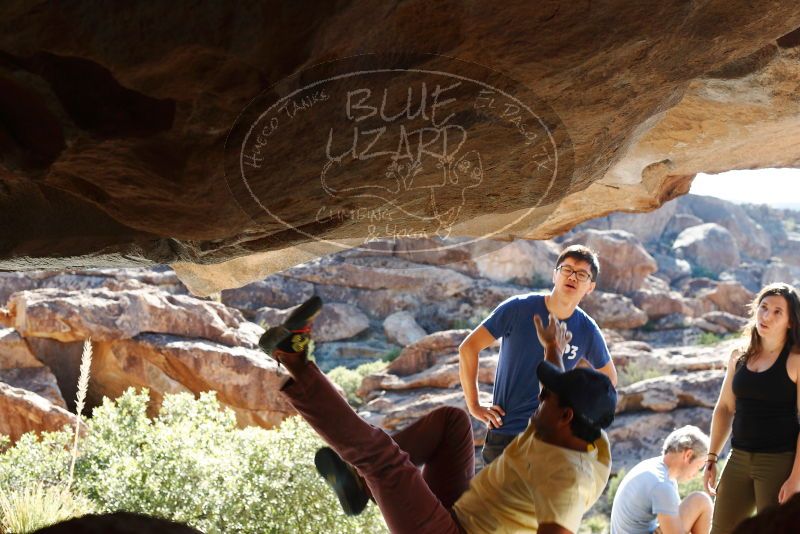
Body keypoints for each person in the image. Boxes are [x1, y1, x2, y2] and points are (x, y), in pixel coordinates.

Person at [259, 296, 617, 534]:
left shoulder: (567, 482)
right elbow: (559, 389)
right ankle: (356, 482)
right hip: (462, 512)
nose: (538, 401)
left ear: (566, 416)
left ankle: (294, 359)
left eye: (546, 398)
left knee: (385, 461)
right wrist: (552, 347)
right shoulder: (583, 428)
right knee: (453, 422)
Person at [459, 244, 618, 464]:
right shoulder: (518, 308)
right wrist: (474, 405)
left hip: (549, 438)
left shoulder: (587, 329)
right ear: (555, 274)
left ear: (590, 286)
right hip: (506, 432)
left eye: (582, 274)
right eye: (567, 269)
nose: (572, 277)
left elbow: (609, 379)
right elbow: (468, 348)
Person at [703, 283, 800, 534]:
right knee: (721, 530)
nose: (766, 316)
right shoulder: (739, 356)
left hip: (778, 462)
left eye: (777, 312)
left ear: (791, 321)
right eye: (763, 308)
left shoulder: (795, 361)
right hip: (738, 459)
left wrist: (796, 478)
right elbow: (725, 408)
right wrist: (712, 457)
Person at [610, 425, 713, 534]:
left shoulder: (654, 468)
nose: (696, 474)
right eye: (698, 468)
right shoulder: (662, 484)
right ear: (688, 455)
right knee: (701, 501)